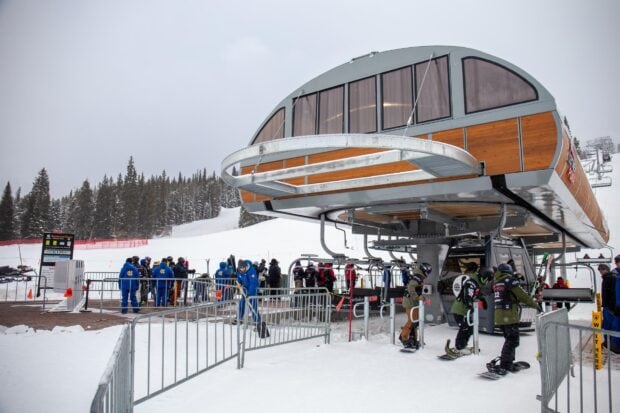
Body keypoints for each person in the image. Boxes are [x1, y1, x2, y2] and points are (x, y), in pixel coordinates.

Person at [490, 263, 540, 374]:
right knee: (513, 340)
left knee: (509, 339)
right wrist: (535, 305)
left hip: (499, 316)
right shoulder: (509, 281)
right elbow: (522, 296)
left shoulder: (496, 282)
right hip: (509, 315)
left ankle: (507, 361)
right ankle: (506, 364)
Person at [450, 263, 492, 352]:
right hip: (459, 310)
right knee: (465, 327)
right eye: (487, 280)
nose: (487, 282)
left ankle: (463, 345)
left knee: (470, 328)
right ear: (484, 277)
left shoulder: (477, 283)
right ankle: (459, 346)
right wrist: (469, 304)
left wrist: (482, 300)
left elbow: (477, 293)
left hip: (465, 311)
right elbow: (468, 295)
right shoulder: (471, 282)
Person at [399, 262, 432, 350]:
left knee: (415, 321)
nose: (428, 274)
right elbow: (411, 288)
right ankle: (404, 338)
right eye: (428, 272)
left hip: (413, 303)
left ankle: (412, 338)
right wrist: (418, 298)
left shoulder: (419, 277)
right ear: (424, 270)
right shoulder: (417, 277)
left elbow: (417, 290)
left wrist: (422, 299)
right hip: (410, 302)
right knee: (411, 321)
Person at [236, 259, 261, 324]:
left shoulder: (251, 271)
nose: (241, 270)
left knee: (253, 306)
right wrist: (239, 283)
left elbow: (253, 283)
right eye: (240, 268)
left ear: (245, 266)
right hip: (244, 290)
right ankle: (239, 318)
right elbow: (239, 279)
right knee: (241, 304)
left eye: (243, 268)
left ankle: (257, 322)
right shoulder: (239, 271)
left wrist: (250, 293)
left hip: (252, 291)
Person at [599, 262, 616, 346]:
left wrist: (612, 306)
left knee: (612, 325)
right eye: (600, 269)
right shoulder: (606, 278)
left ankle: (612, 343)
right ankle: (607, 342)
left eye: (603, 269)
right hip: (606, 306)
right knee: (606, 325)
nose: (601, 271)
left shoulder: (611, 278)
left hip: (610, 307)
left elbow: (613, 293)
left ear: (607, 269)